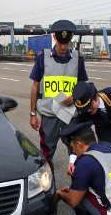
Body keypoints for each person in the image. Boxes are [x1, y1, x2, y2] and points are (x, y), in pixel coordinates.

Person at [29, 19, 88, 172]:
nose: (63, 47)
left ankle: (78, 187)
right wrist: (32, 113)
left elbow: (83, 86)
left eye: (66, 43)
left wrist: (75, 97)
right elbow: (35, 86)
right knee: (46, 153)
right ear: (55, 38)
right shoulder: (43, 57)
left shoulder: (77, 58)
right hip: (49, 114)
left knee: (77, 153)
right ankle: (46, 186)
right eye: (61, 43)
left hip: (71, 114)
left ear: (70, 41)